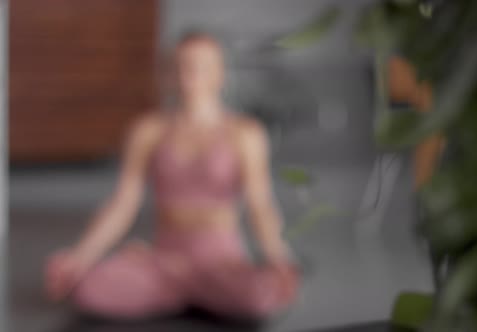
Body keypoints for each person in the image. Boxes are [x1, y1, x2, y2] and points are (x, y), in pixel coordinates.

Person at [44, 31, 300, 322]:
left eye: (200, 66)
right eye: (181, 65)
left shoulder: (245, 133)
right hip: (165, 261)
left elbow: (260, 205)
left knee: (261, 296)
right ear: (168, 73)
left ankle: (193, 293)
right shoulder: (148, 130)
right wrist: (80, 256)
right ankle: (182, 291)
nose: (189, 74)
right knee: (88, 289)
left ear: (220, 74)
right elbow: (123, 202)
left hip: (222, 262)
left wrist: (280, 259)